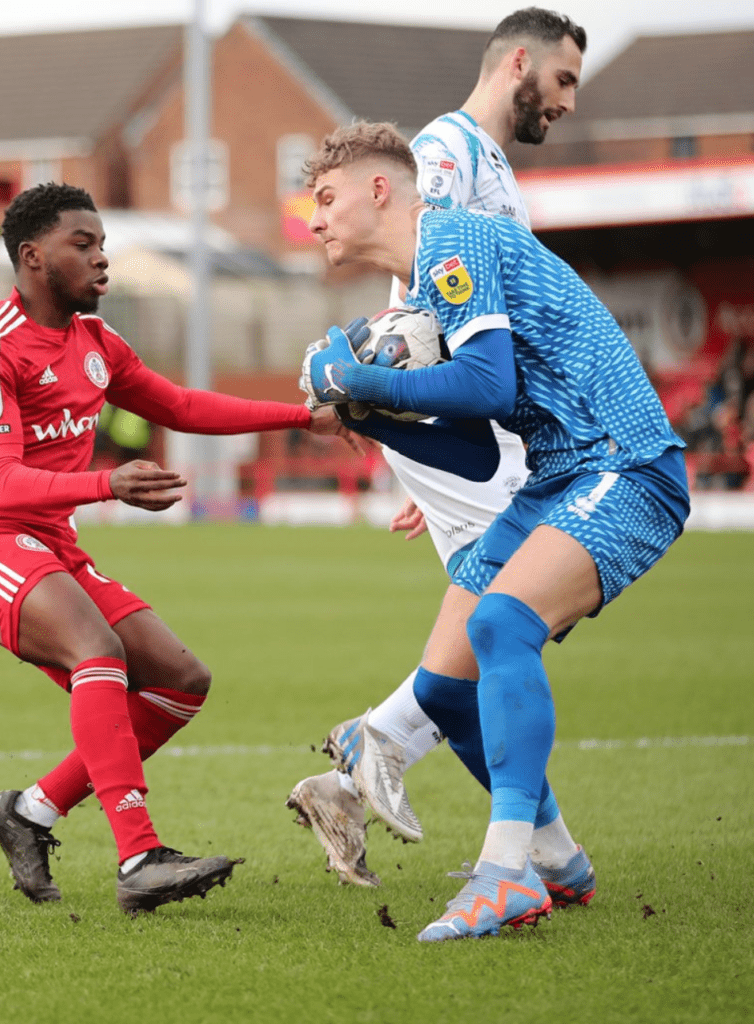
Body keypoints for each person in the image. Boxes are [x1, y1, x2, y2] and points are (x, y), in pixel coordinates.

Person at [298, 122, 689, 941]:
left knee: (499, 622)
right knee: (443, 690)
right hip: (561, 477)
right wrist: (369, 414)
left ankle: (504, 873)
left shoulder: (454, 240)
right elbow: (474, 447)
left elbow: (485, 380)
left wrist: (359, 378)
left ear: (380, 190)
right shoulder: (426, 280)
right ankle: (557, 861)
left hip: (624, 463)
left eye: (326, 198)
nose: (314, 219)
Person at [0, 182, 354, 916]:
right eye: (82, 246)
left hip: (50, 544)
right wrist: (106, 484)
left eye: (102, 245)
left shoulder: (96, 342)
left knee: (181, 679)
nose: (103, 261)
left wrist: (302, 418)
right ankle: (139, 857)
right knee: (99, 651)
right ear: (32, 258)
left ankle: (29, 812)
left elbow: (180, 404)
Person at [288, 7, 587, 886]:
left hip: (473, 426)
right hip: (472, 420)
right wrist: (441, 437)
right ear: (520, 63)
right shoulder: (447, 154)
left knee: (486, 634)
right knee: (508, 622)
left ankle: (537, 847)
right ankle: (532, 851)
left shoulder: (486, 161)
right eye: (564, 80)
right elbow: (428, 313)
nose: (567, 101)